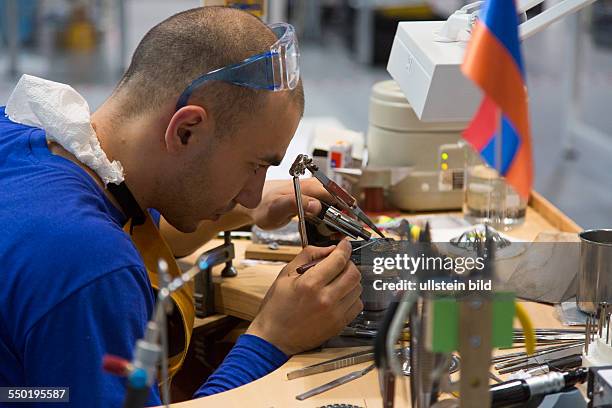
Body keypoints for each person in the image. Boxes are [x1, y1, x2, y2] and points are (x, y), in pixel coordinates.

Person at [0, 7, 363, 407]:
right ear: (186, 131)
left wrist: (242, 211)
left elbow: (118, 217)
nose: (253, 194)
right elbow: (89, 257)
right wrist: (271, 337)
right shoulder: (90, 265)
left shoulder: (22, 132)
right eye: (256, 166)